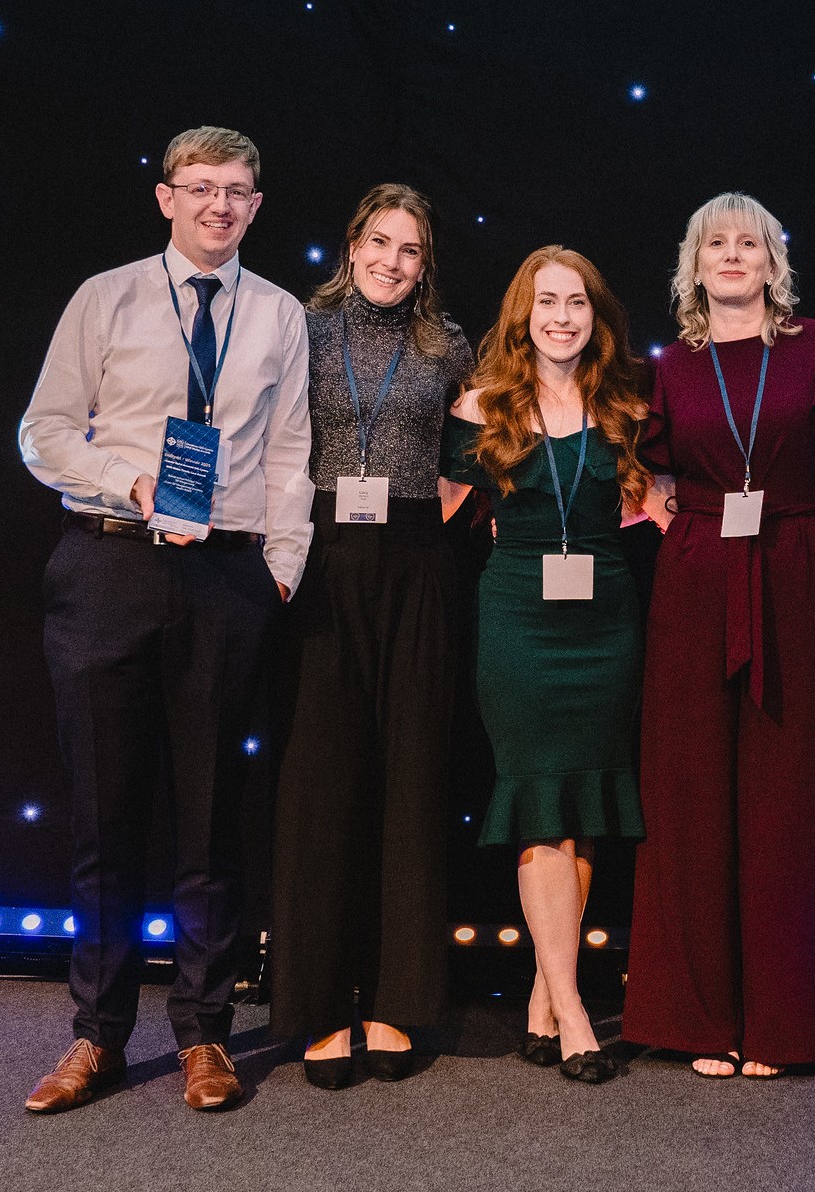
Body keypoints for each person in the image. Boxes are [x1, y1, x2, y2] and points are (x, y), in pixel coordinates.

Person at [18, 126, 313, 1113]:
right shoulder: (104, 298)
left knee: (211, 821)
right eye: (200, 188)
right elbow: (43, 430)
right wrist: (124, 477)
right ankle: (96, 1035)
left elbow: (288, 456)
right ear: (165, 198)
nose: (219, 205)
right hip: (109, 564)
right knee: (105, 819)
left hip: (226, 585)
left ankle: (203, 1036)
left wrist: (278, 571)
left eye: (237, 190)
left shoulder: (276, 315)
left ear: (257, 205)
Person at [622, 193, 815, 1080]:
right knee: (690, 797)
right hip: (694, 575)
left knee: (785, 803)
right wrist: (653, 503)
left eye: (749, 243)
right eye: (715, 243)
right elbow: (637, 467)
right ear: (693, 264)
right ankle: (699, 1020)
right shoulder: (667, 368)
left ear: (774, 261)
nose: (732, 255)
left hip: (796, 569)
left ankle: (782, 1024)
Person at [267, 184, 474, 1089]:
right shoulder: (300, 330)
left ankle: (397, 1002)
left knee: (410, 778)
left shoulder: (448, 345)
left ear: (427, 265)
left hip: (416, 566)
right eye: (380, 243)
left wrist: (430, 530)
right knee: (322, 782)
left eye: (411, 250)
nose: (393, 262)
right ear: (351, 245)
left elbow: (470, 463)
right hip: (321, 561)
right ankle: (316, 1006)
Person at [443, 246, 649, 1085]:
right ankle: (572, 1012)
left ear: (596, 316)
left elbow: (659, 504)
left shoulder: (626, 406)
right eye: (546, 302)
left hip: (607, 625)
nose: (561, 316)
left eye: (576, 303)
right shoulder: (480, 405)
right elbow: (442, 514)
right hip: (519, 622)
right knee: (539, 804)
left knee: (585, 800)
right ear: (521, 315)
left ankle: (542, 991)